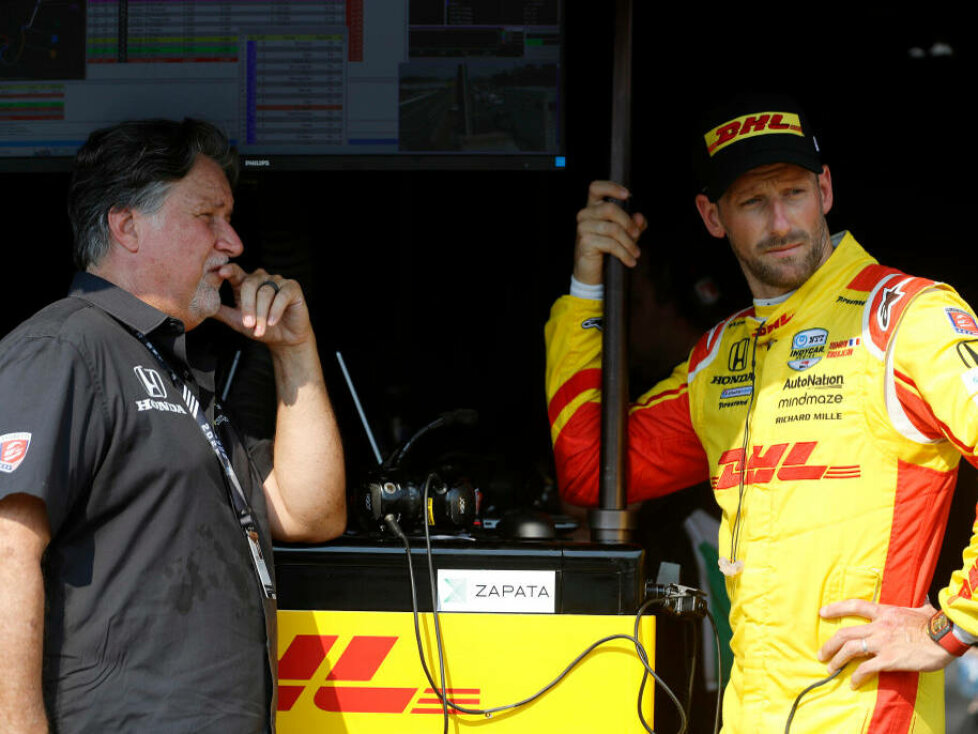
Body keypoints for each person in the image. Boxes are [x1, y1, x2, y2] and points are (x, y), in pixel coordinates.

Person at [545, 95, 978, 732]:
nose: (781, 222)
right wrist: (587, 289)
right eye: (753, 202)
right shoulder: (721, 358)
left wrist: (953, 626)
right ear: (712, 216)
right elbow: (590, 471)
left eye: (795, 193)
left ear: (825, 190)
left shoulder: (906, 318)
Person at [0, 119, 346, 732]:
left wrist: (295, 351)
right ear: (127, 225)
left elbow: (309, 512)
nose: (234, 242)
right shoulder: (66, 346)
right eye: (208, 216)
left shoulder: (174, 370)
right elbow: (6, 549)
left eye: (229, 219)